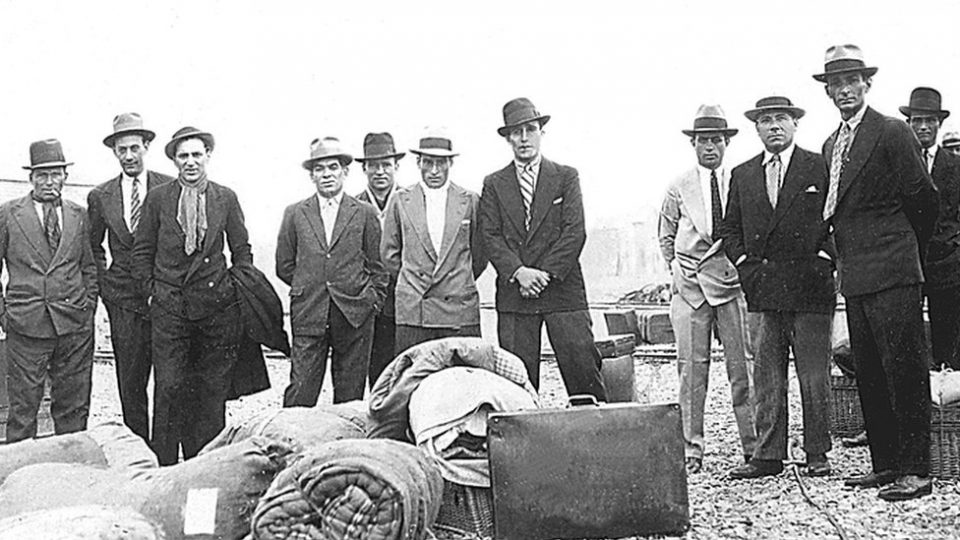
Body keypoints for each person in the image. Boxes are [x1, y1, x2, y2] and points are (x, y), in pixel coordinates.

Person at [814, 44, 938, 501]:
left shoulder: (891, 131)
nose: (844, 89)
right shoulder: (832, 144)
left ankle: (917, 470)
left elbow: (924, 200)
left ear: (867, 84)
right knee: (870, 371)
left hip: (894, 269)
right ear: (828, 91)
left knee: (904, 370)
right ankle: (885, 464)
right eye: (836, 83)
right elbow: (834, 211)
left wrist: (904, 251)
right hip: (857, 274)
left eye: (852, 81)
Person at [721, 96, 835, 479]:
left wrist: (825, 256)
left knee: (813, 375)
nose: (774, 126)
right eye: (766, 120)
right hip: (764, 290)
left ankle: (817, 452)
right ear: (756, 128)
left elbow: (840, 216)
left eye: (781, 119)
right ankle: (768, 455)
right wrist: (743, 266)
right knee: (767, 375)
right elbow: (730, 228)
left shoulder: (819, 165)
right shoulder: (743, 174)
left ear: (794, 124)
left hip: (810, 289)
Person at [133, 126, 251, 464]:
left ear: (208, 156)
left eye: (196, 154)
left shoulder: (225, 197)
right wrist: (152, 293)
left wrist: (232, 287)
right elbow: (142, 252)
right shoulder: (158, 198)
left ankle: (205, 467)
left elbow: (241, 249)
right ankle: (165, 469)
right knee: (169, 389)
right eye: (183, 156)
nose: (190, 162)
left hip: (215, 311)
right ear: (174, 160)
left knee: (211, 394)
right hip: (170, 309)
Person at [479, 97, 606, 401]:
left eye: (530, 129)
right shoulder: (494, 184)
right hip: (515, 294)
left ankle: (597, 442)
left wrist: (544, 274)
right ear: (508, 137)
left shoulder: (565, 177)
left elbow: (575, 232)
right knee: (516, 385)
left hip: (563, 291)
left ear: (541, 132)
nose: (524, 138)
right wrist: (519, 272)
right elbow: (490, 236)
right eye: (517, 132)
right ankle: (525, 446)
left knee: (583, 374)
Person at [658, 104, 757, 474]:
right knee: (691, 370)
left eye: (716, 140)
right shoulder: (679, 185)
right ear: (693, 144)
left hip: (731, 284)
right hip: (690, 286)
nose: (710, 147)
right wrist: (678, 270)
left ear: (726, 143)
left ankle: (754, 446)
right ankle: (690, 450)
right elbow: (665, 235)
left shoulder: (742, 179)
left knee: (742, 367)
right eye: (703, 141)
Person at [276, 137, 387, 406]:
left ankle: (346, 448)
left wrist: (370, 301)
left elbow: (377, 267)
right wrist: (310, 287)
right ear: (312, 175)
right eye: (320, 169)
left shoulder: (364, 213)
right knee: (300, 393)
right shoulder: (295, 213)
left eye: (333, 167)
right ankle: (292, 447)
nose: (327, 174)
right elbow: (284, 265)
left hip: (354, 314)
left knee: (350, 397)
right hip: (310, 312)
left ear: (345, 172)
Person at [0, 139, 98, 442]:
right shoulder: (8, 214)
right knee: (23, 410)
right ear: (30, 178)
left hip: (73, 326)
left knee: (73, 408)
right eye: (41, 175)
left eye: (55, 174)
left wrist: (87, 306)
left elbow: (88, 266)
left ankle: (69, 477)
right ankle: (18, 481)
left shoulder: (79, 215)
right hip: (26, 325)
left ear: (65, 177)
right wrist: (4, 314)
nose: (49, 182)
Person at [88, 113, 173, 441]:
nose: (128, 155)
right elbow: (93, 246)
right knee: (131, 382)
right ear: (114, 152)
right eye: (121, 149)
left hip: (164, 298)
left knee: (169, 380)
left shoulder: (169, 186)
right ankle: (138, 453)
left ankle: (165, 456)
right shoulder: (101, 196)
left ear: (146, 147)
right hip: (123, 301)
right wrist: (106, 288)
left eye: (134, 148)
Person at [381, 128, 487, 354]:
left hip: (459, 308)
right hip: (415, 309)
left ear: (451, 164)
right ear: (418, 162)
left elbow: (479, 254)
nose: (434, 171)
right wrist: (415, 281)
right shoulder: (400, 200)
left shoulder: (470, 200)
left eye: (441, 163)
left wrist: (457, 280)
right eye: (428, 163)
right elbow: (389, 254)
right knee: (412, 379)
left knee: (463, 379)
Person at [900, 87, 960, 371]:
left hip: (948, 265)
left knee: (948, 339)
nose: (923, 127)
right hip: (908, 263)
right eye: (917, 121)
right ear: (909, 124)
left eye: (930, 121)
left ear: (940, 124)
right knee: (907, 339)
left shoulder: (956, 166)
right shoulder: (899, 164)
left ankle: (950, 409)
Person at [355, 132, 403, 384]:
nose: (380, 171)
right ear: (364, 168)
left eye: (386, 164)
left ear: (396, 166)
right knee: (377, 372)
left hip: (406, 301)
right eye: (373, 165)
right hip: (370, 304)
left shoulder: (410, 200)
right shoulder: (353, 206)